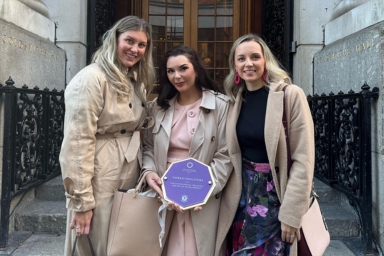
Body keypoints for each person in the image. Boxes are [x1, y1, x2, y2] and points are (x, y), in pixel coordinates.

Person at [59, 16, 155, 256]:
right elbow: (77, 142)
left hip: (129, 167)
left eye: (141, 44)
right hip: (100, 171)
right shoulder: (90, 79)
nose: (135, 49)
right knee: (94, 240)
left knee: (121, 241)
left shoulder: (135, 80)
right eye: (129, 41)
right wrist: (81, 202)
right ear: (115, 39)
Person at [215, 34, 315, 256]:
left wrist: (292, 214)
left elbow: (303, 159)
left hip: (276, 195)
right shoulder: (234, 101)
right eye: (241, 58)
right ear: (235, 65)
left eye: (255, 57)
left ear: (265, 61)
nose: (248, 63)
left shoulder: (290, 95)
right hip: (241, 198)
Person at [142, 45, 233, 256]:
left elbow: (225, 155)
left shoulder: (221, 105)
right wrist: (148, 172)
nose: (177, 76)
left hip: (203, 198)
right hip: (162, 196)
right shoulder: (157, 107)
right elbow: (147, 147)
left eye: (183, 68)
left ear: (197, 69)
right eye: (170, 71)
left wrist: (200, 191)